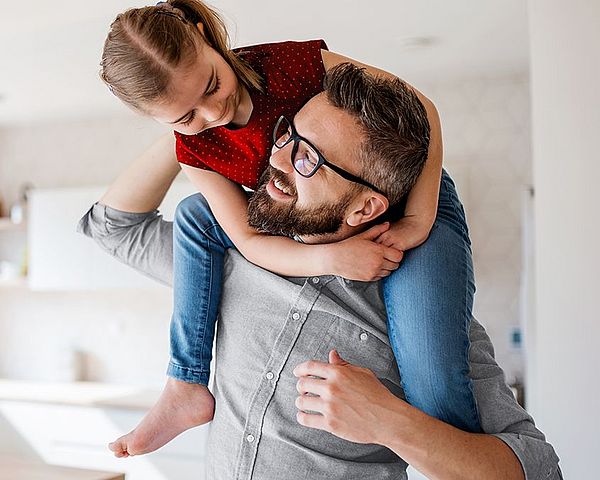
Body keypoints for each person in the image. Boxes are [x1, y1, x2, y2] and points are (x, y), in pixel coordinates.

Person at [79, 64, 561, 479]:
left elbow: (539, 470)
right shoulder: (224, 262)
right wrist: (193, 115)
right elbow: (111, 228)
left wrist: (389, 422)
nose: (276, 158)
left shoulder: (428, 324)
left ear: (366, 206)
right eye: (287, 135)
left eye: (308, 159)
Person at [99, 0, 478, 457]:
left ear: (205, 34)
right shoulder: (194, 148)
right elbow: (250, 240)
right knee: (198, 214)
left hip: (414, 194)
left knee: (433, 384)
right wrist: (328, 258)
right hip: (313, 223)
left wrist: (419, 218)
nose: (213, 113)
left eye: (212, 85)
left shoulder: (290, 64)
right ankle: (185, 381)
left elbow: (422, 107)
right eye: (185, 117)